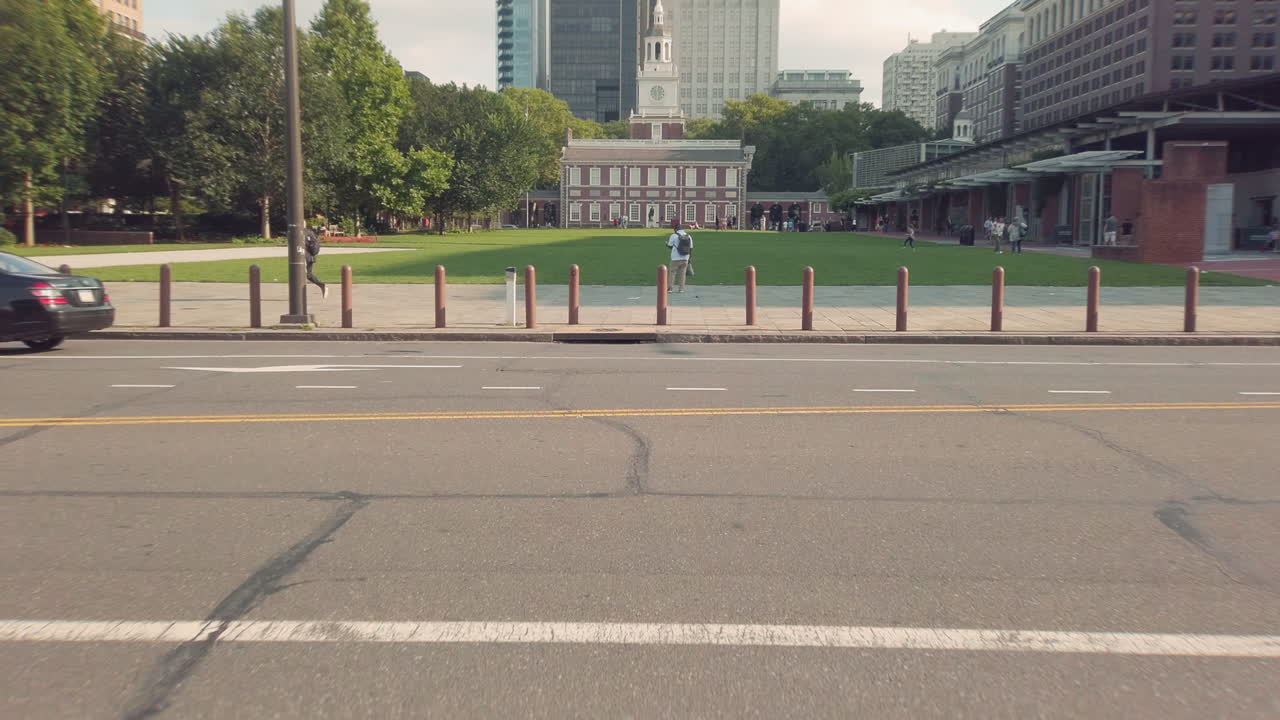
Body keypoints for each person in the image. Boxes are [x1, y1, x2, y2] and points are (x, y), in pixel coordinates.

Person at [666, 225, 692, 293]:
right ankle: (681, 289)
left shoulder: (674, 235)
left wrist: (666, 244)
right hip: (685, 257)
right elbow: (691, 248)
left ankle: (670, 288)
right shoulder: (688, 236)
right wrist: (689, 258)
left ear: (675, 229)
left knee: (672, 272)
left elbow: (670, 246)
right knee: (682, 274)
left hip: (675, 257)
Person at [304, 226, 327, 299]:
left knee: (301, 275)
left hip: (306, 257)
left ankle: (298, 294)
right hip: (309, 257)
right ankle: (321, 285)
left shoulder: (304, 233)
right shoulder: (309, 232)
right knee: (308, 275)